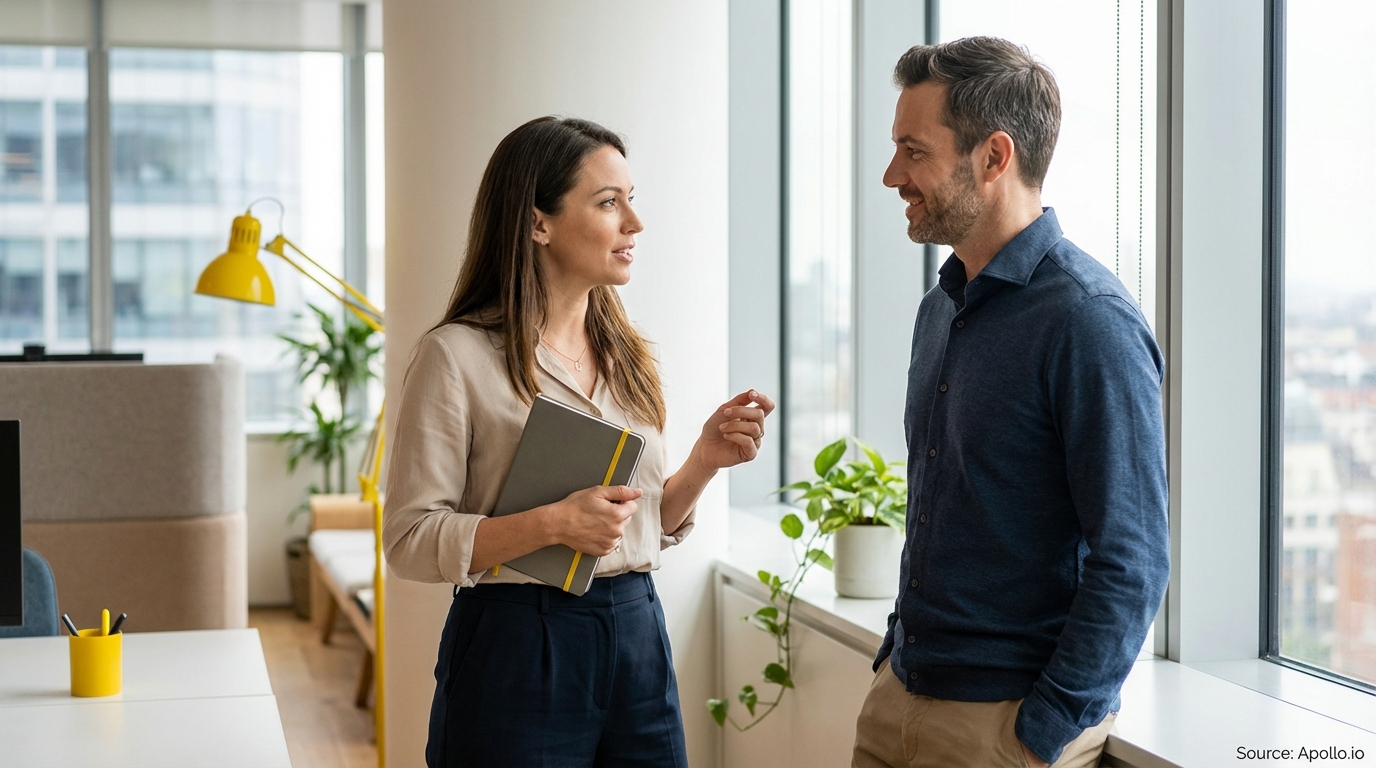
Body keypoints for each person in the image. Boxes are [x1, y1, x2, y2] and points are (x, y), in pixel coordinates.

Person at [383, 116, 774, 768]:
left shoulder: (627, 356)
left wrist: (704, 462)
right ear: (538, 223)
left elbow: (642, 522)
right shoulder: (454, 356)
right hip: (514, 641)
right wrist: (551, 523)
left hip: (635, 629)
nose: (634, 223)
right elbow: (409, 540)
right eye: (608, 202)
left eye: (631, 199)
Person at [851, 37, 1169, 768]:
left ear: (994, 158)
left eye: (913, 151)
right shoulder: (940, 305)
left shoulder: (1090, 322)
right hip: (900, 695)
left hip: (1001, 729)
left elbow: (1134, 557)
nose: (892, 175)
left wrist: (1041, 732)